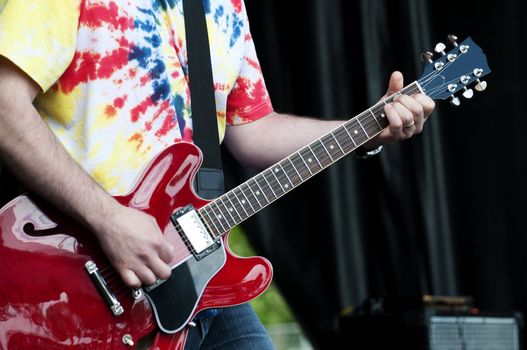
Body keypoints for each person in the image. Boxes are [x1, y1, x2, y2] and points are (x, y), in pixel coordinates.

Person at [0, 0, 434, 349]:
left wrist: (368, 129)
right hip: (81, 274)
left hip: (200, 272)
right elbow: (4, 109)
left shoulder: (225, 6)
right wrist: (108, 218)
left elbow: (254, 132)